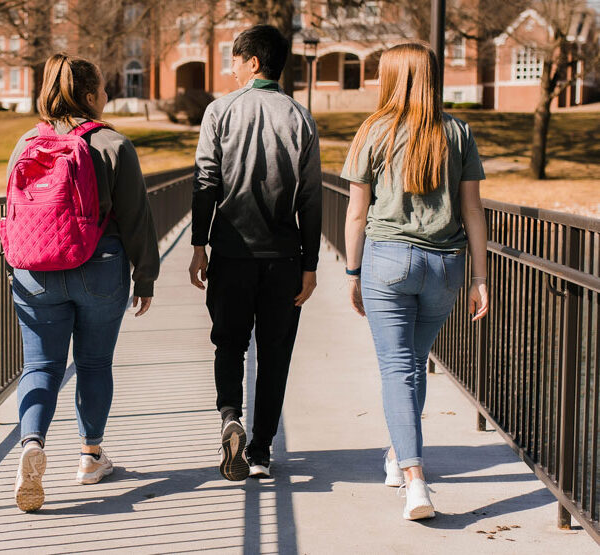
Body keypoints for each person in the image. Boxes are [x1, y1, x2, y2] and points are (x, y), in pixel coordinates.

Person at [342, 43, 489, 520]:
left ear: (390, 77)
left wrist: (352, 270)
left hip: (388, 261)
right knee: (413, 364)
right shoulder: (457, 131)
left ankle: (414, 479)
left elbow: (356, 212)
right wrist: (480, 277)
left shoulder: (373, 131)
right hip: (445, 266)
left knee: (397, 368)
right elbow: (472, 211)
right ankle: (396, 457)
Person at [8, 53, 159, 512]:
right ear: (91, 95)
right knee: (93, 365)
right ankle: (90, 455)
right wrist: (145, 276)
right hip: (99, 266)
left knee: (41, 365)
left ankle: (32, 442)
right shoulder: (112, 144)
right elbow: (136, 219)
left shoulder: (26, 142)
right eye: (105, 89)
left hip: (35, 272)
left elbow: (13, 212)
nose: (108, 96)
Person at [189, 25, 322, 481]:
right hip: (284, 257)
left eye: (233, 59)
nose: (230, 68)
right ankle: (262, 450)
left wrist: (198, 244)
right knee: (274, 354)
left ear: (252, 63)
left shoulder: (219, 112)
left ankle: (230, 416)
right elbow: (311, 199)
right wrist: (311, 265)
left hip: (231, 252)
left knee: (229, 343)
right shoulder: (301, 118)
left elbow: (206, 180)